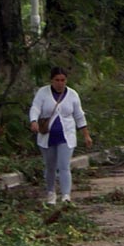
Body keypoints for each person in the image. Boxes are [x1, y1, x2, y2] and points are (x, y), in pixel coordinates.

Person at [29, 67, 93, 205]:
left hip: (66, 135)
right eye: (57, 80)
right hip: (47, 137)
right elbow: (35, 108)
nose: (60, 83)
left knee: (64, 165)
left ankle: (66, 195)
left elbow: (79, 115)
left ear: (66, 80)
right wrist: (33, 121)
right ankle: (51, 193)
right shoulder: (43, 93)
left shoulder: (72, 95)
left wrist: (86, 135)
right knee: (50, 166)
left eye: (62, 80)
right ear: (52, 80)